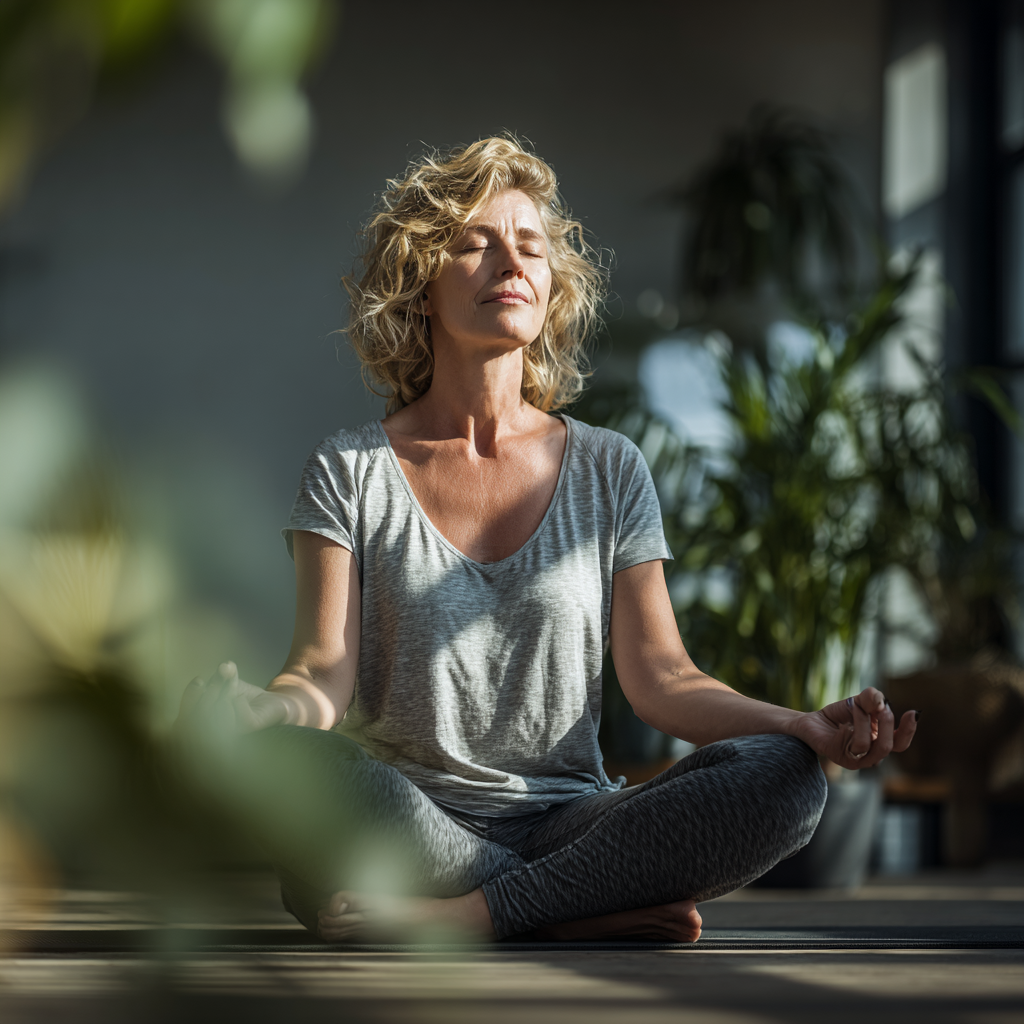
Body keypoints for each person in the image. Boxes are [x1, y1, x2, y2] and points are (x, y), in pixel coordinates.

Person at [177, 137, 917, 943]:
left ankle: (472, 916)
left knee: (786, 780)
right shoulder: (350, 469)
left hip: (570, 822)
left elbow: (664, 680)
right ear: (422, 285)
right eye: (475, 244)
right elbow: (320, 676)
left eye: (529, 246)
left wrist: (799, 726)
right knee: (296, 770)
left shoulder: (609, 466)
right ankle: (588, 904)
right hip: (408, 822)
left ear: (550, 288)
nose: (511, 262)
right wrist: (263, 713)